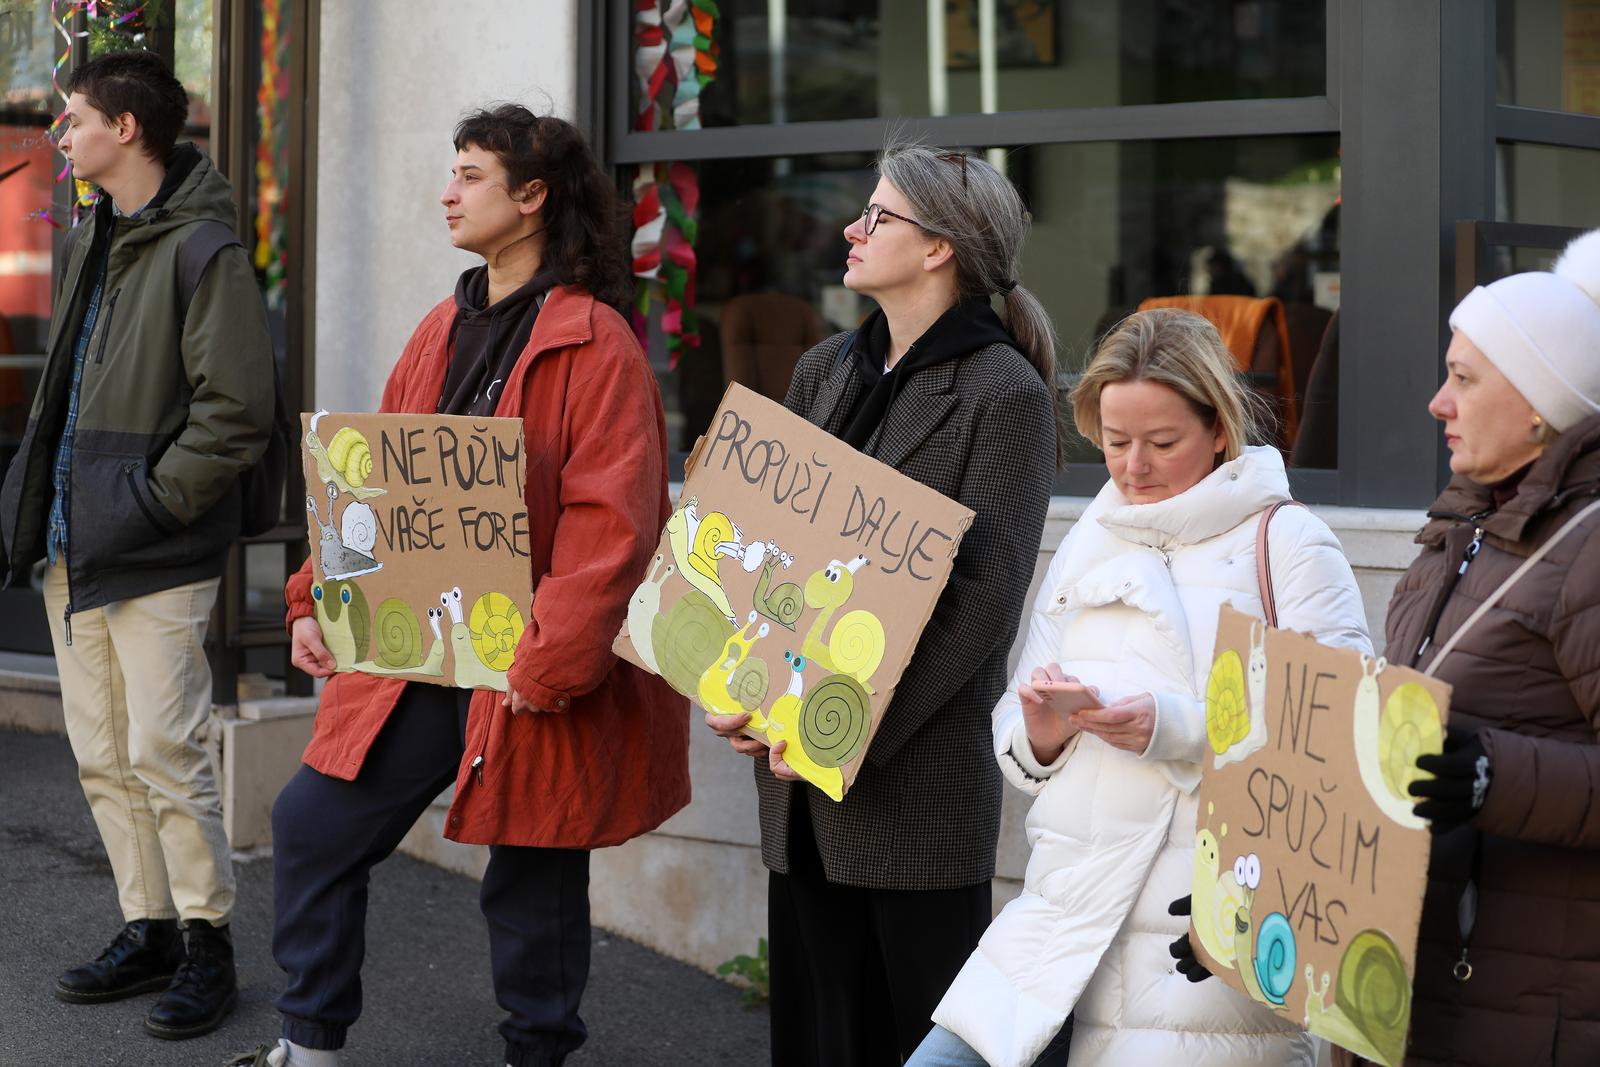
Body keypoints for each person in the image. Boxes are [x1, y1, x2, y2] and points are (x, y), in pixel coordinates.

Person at [231, 106, 689, 1067]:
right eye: (452, 172)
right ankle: (309, 1043)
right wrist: (317, 595)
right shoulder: (441, 323)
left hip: (532, 659)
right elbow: (380, 479)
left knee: (532, 869)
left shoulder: (595, 341)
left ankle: (538, 1052)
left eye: (471, 175)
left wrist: (554, 661)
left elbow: (614, 523)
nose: (448, 191)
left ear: (533, 200)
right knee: (312, 822)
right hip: (424, 641)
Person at [911, 308, 1373, 1067]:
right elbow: (1017, 731)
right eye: (1116, 441)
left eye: (1162, 443)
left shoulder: (1288, 541)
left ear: (1220, 428)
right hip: (1060, 918)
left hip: (1205, 930)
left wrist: (1175, 726)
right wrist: (1041, 732)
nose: (1133, 467)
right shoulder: (1094, 535)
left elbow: (1342, 736)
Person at [703, 143, 1060, 1064]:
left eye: (879, 216)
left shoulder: (1005, 393)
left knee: (910, 1039)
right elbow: (767, 556)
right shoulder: (825, 368)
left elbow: (984, 602)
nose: (853, 230)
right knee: (813, 1037)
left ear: (940, 246)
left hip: (911, 784)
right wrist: (735, 686)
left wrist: (835, 731)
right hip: (792, 784)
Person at [0, 49, 275, 1039]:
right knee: (103, 754)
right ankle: (147, 924)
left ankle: (209, 943)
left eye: (73, 118)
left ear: (127, 129)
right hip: (77, 543)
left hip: (153, 545)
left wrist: (155, 504)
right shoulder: (92, 240)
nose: (59, 136)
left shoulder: (203, 250)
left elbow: (236, 411)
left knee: (167, 750)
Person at [1367, 230, 1600, 1064]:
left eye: (1464, 378)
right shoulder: (1462, 521)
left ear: (1540, 401)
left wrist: (1494, 776)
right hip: (1423, 986)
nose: (1438, 402)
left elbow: (1474, 764)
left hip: (1530, 1004)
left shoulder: (1591, 547)